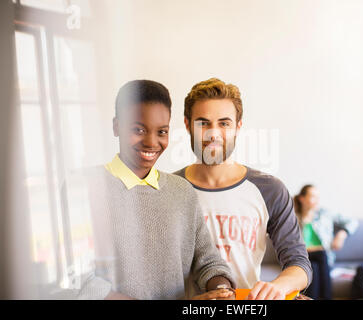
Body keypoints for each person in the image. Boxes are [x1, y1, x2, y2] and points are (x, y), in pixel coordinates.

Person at [78, 80, 236, 300]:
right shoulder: (84, 187)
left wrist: (221, 291)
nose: (151, 142)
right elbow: (82, 280)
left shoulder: (182, 192)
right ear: (116, 126)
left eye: (161, 131)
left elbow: (208, 262)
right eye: (138, 129)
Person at [174, 78, 312, 300]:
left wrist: (278, 287)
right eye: (203, 123)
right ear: (188, 125)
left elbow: (299, 264)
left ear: (238, 126)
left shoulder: (270, 190)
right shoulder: (168, 190)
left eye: (224, 123)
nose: (213, 134)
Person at [294, 184, 358, 299]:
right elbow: (292, 246)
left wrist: (341, 234)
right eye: (313, 196)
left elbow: (352, 222)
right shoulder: (294, 219)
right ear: (302, 199)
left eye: (318, 197)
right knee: (320, 255)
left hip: (320, 260)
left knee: (314, 266)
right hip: (303, 257)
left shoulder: (325, 214)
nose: (317, 200)